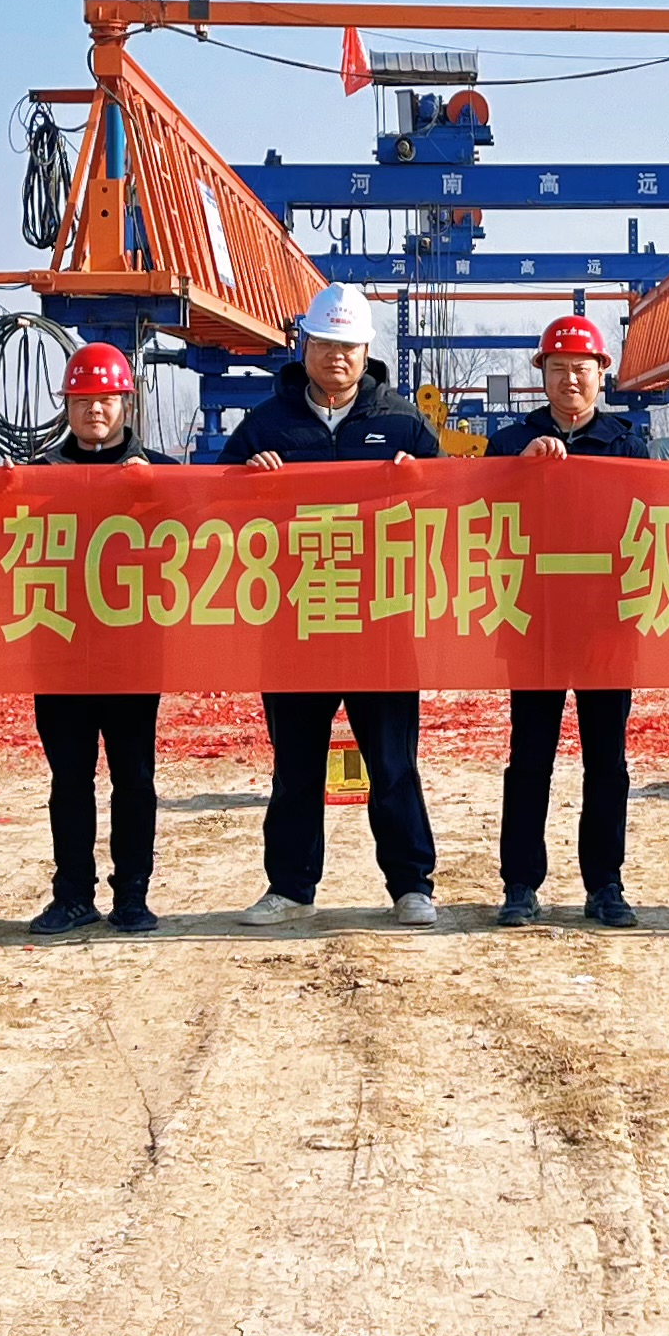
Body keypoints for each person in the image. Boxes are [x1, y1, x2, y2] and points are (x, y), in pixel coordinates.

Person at [222, 283, 443, 927]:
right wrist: (246, 482)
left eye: (348, 346)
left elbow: (456, 505)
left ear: (366, 350)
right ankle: (291, 888)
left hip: (380, 619)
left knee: (393, 763)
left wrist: (422, 482)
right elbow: (213, 501)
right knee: (296, 765)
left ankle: (411, 885)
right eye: (324, 344)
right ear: (305, 346)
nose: (336, 357)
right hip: (296, 619)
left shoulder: (403, 424)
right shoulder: (267, 425)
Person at [486, 313, 646, 928]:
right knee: (530, 759)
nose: (570, 380)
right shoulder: (510, 443)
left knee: (607, 762)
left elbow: (654, 522)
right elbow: (475, 512)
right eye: (558, 369)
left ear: (602, 374)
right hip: (534, 624)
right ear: (543, 375)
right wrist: (518, 470)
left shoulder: (627, 446)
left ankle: (606, 883)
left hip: (606, 628)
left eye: (581, 369)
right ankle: (520, 883)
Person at [30, 340, 173, 935]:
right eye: (84, 400)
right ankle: (72, 894)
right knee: (69, 780)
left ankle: (132, 895)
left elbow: (209, 528)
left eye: (107, 399)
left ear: (126, 404)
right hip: (59, 651)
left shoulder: (162, 475)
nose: (95, 410)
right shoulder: (38, 477)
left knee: (134, 779)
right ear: (67, 406)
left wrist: (156, 493)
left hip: (132, 654)